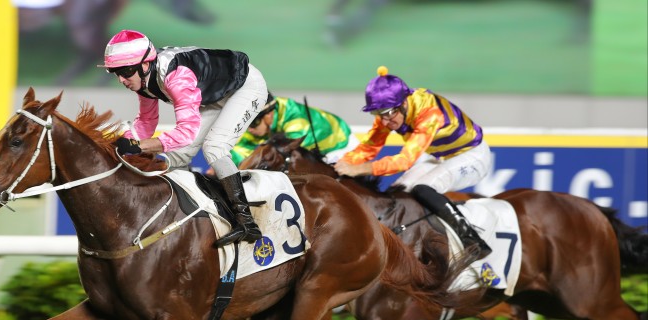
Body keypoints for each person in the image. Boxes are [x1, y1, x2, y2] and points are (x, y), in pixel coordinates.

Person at [100, 29, 268, 247]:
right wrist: (120, 143)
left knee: (214, 148)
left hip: (245, 88)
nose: (122, 79)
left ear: (145, 65)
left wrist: (140, 146)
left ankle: (247, 222)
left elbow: (186, 132)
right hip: (214, 95)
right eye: (116, 72)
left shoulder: (176, 77)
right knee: (178, 156)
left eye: (125, 71)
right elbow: (146, 123)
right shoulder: (143, 79)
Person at [334, 66, 492, 261]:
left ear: (403, 104)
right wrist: (340, 164)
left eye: (388, 114)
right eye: (378, 114)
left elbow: (404, 161)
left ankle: (472, 240)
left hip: (472, 155)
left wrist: (358, 169)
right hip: (440, 155)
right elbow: (369, 147)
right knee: (397, 193)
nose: (384, 122)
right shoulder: (388, 112)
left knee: (423, 188)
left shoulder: (429, 112)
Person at [231, 92, 361, 167]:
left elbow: (286, 151)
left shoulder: (295, 118)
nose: (249, 129)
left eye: (253, 123)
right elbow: (241, 150)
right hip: (313, 152)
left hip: (340, 147)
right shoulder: (261, 122)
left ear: (268, 115)